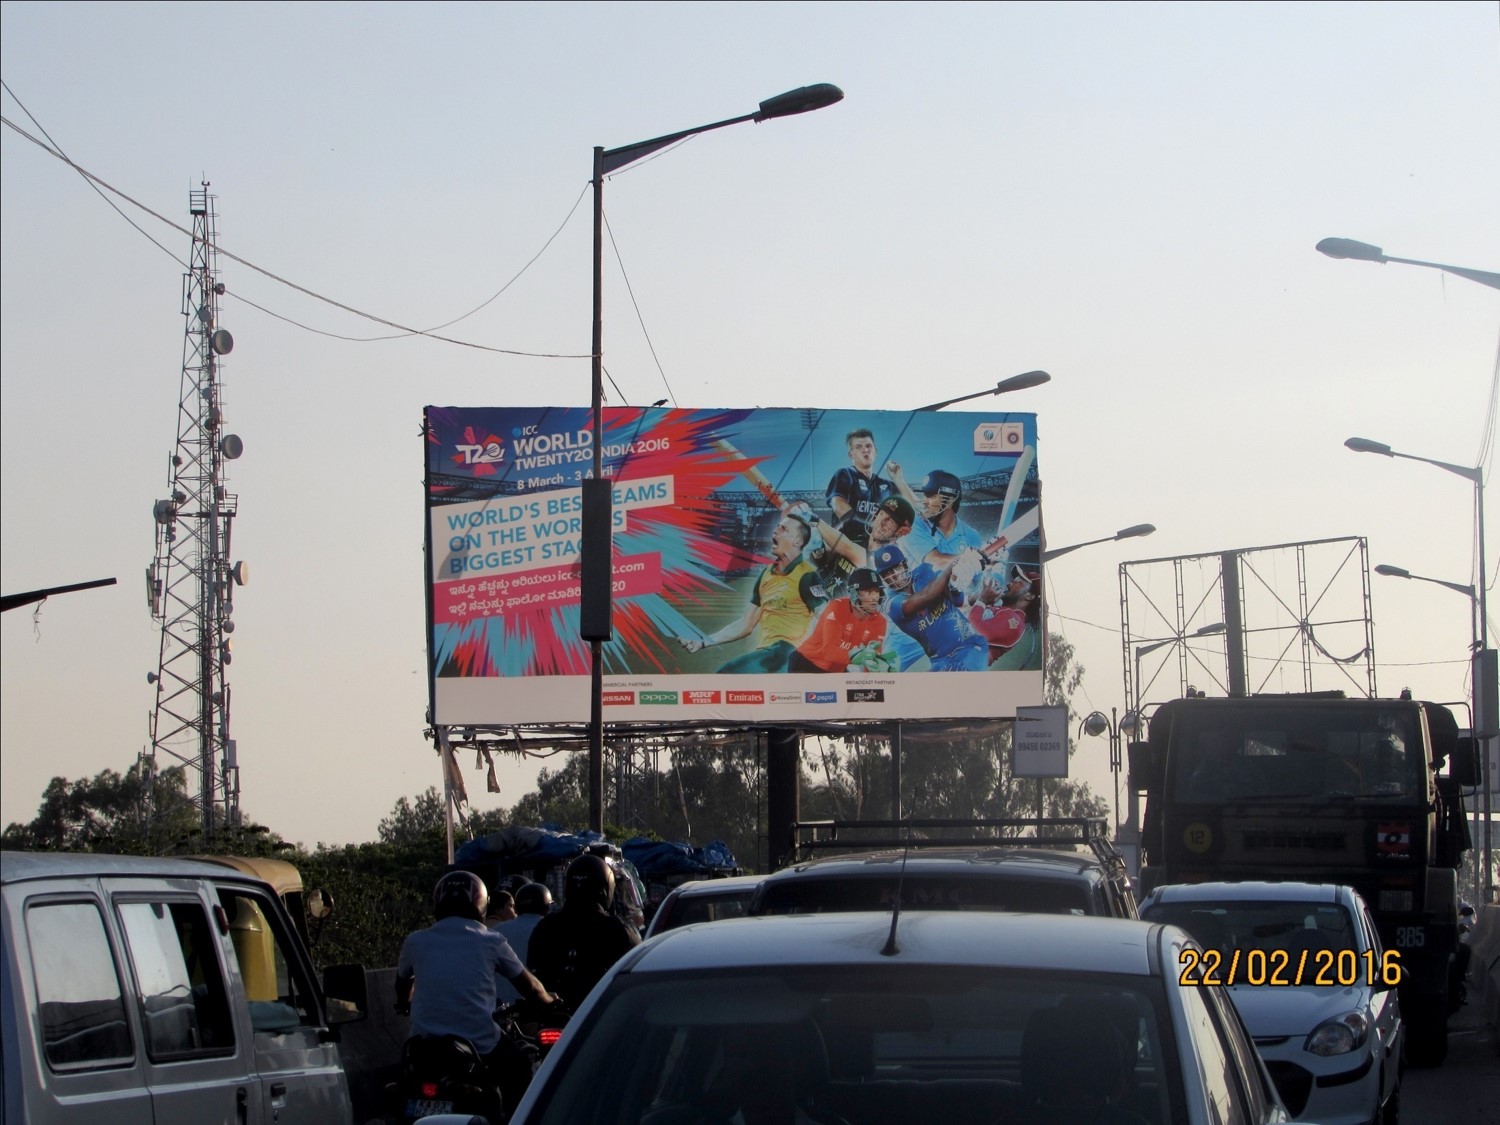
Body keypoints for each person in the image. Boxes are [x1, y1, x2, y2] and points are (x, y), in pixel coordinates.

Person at [395, 871, 555, 1113]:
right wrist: (550, 1001)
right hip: (479, 1041)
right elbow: (530, 987)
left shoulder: (416, 940)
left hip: (422, 1045)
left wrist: (404, 1002)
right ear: (480, 903)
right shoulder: (490, 940)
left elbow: (402, 983)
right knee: (520, 1066)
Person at [678, 512, 825, 673]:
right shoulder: (767, 574)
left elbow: (825, 617)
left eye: (783, 529)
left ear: (797, 541)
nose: (775, 531)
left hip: (788, 652)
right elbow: (745, 624)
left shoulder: (807, 576)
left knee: (724, 676)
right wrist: (704, 641)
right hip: (768, 655)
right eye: (777, 526)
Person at [527, 854, 641, 1009]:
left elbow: (533, 973)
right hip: (598, 1016)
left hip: (553, 1014)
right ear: (607, 886)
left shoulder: (546, 926)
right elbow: (637, 974)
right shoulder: (616, 928)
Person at [872, 543, 988, 672]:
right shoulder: (891, 604)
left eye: (896, 568)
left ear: (905, 564)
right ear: (882, 578)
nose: (894, 575)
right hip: (941, 661)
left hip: (968, 645)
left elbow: (958, 600)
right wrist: (953, 566)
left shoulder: (925, 571)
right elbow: (927, 595)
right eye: (887, 573)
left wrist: (956, 584)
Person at [788, 567, 892, 672]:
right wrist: (858, 657)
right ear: (853, 593)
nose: (874, 597)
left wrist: (881, 667)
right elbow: (830, 652)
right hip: (807, 663)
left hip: (836, 669)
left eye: (877, 591)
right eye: (869, 591)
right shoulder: (837, 607)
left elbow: (872, 660)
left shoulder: (879, 621)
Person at [825, 428, 896, 539]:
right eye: (858, 447)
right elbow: (838, 505)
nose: (865, 450)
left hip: (875, 547)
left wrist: (899, 479)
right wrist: (869, 529)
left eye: (869, 446)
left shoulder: (887, 486)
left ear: (875, 451)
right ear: (851, 454)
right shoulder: (845, 474)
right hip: (848, 545)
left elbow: (913, 507)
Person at [493, 882, 553, 1004]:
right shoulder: (552, 930)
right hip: (539, 1007)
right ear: (547, 907)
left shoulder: (495, 932)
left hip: (499, 1010)